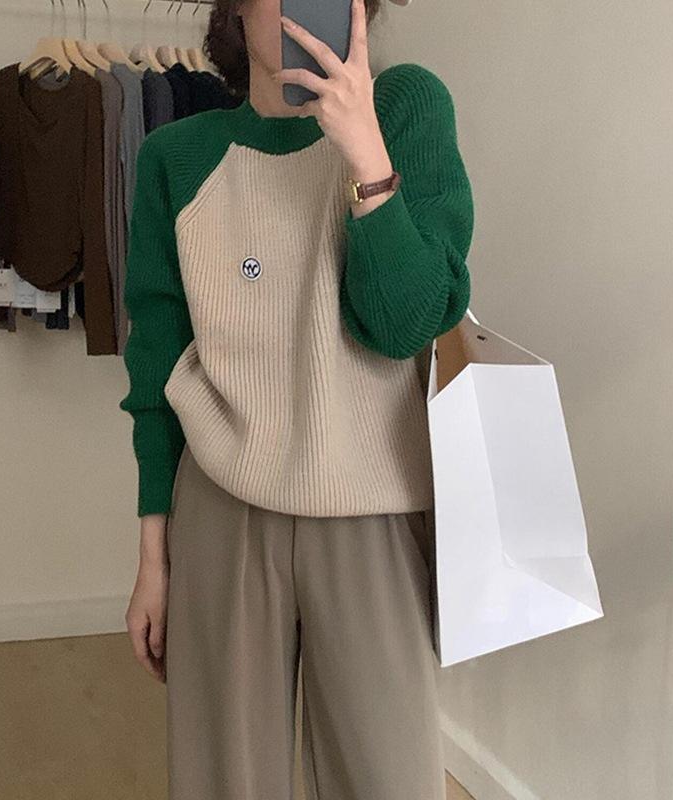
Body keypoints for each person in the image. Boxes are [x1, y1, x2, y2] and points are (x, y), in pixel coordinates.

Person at [119, 0, 473, 797]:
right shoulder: (177, 155)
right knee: (224, 780)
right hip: (221, 507)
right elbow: (155, 374)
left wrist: (365, 156)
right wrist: (153, 560)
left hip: (374, 510)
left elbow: (404, 323)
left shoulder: (408, 107)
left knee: (389, 778)